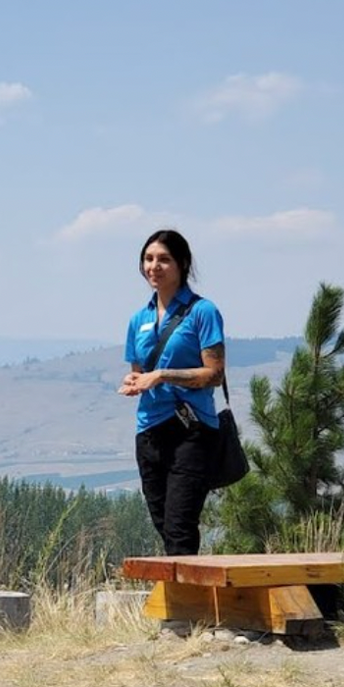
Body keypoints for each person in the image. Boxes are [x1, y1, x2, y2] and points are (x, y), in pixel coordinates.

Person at [119, 229, 226, 556]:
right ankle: (190, 602)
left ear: (182, 264)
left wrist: (164, 375)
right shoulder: (139, 319)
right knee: (164, 524)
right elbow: (139, 371)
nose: (155, 266)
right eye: (149, 259)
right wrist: (134, 382)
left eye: (164, 259)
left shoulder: (202, 312)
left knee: (180, 527)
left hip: (190, 431)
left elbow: (215, 374)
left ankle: (183, 607)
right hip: (149, 431)